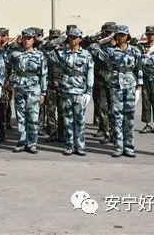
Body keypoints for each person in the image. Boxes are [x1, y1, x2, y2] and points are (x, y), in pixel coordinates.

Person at [90, 25, 143, 158]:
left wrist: (139, 87)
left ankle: (129, 147)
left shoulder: (135, 51)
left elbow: (139, 69)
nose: (120, 37)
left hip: (130, 87)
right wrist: (106, 39)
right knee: (117, 117)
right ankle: (118, 147)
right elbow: (93, 49)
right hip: (115, 87)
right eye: (118, 35)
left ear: (127, 36)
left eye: (123, 35)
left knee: (129, 118)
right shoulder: (110, 51)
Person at [45, 28, 94, 156]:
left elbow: (90, 73)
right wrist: (57, 40)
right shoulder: (63, 53)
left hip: (80, 91)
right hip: (66, 91)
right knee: (68, 120)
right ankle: (69, 146)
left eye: (75, 37)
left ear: (80, 39)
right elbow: (46, 50)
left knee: (80, 120)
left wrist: (89, 92)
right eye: (70, 37)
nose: (72, 39)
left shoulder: (86, 54)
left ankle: (80, 146)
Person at [8, 28, 48, 154]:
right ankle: (22, 141)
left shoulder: (39, 55)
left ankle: (32, 143)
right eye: (24, 38)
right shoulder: (16, 54)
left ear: (33, 40)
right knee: (21, 117)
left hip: (34, 89)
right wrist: (12, 85)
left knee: (33, 117)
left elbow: (43, 74)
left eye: (29, 38)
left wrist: (43, 92)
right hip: (20, 89)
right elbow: (10, 69)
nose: (26, 41)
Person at [138, 25, 154, 134]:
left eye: (152, 34)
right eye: (148, 34)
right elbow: (131, 45)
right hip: (145, 78)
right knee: (146, 102)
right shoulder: (141, 46)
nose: (150, 36)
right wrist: (138, 37)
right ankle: (147, 125)